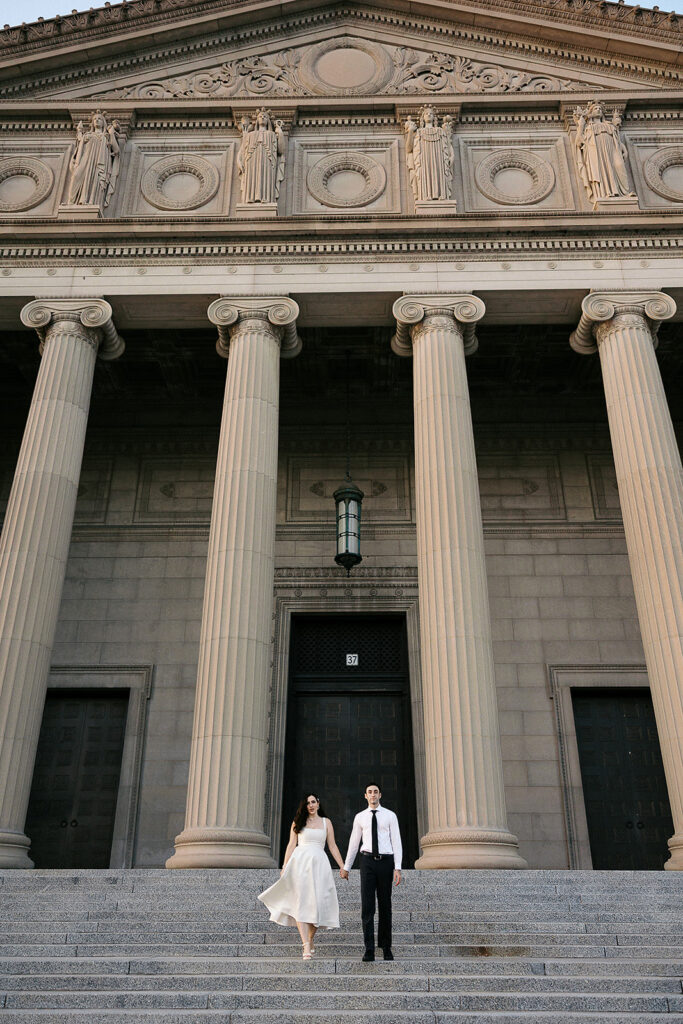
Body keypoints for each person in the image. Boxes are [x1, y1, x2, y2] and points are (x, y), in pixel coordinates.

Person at [258, 793, 346, 959]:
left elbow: (332, 846)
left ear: (318, 803)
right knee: (302, 903)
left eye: (313, 802)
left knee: (320, 904)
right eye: (307, 803)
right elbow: (291, 845)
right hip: (300, 864)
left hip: (320, 865)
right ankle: (305, 945)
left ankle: (310, 938)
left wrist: (342, 866)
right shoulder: (297, 822)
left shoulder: (327, 823)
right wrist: (284, 866)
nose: (310, 805)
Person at [342, 783, 402, 962]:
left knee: (385, 906)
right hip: (367, 861)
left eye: (376, 792)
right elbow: (354, 842)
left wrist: (397, 867)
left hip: (386, 862)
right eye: (370, 792)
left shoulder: (390, 816)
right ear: (365, 796)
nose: (373, 795)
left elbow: (396, 841)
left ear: (380, 795)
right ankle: (368, 949)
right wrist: (347, 867)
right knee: (367, 907)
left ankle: (386, 948)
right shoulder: (360, 817)